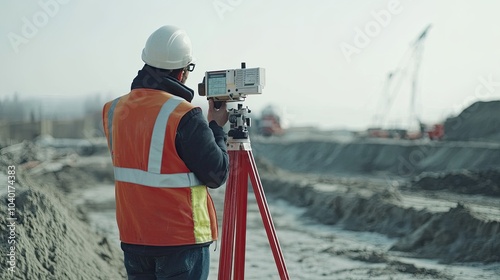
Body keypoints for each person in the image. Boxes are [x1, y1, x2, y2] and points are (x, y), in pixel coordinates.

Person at [102, 25, 229, 279]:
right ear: (182, 71)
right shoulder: (184, 114)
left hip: (134, 238)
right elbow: (217, 173)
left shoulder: (113, 110)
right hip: (180, 241)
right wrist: (216, 127)